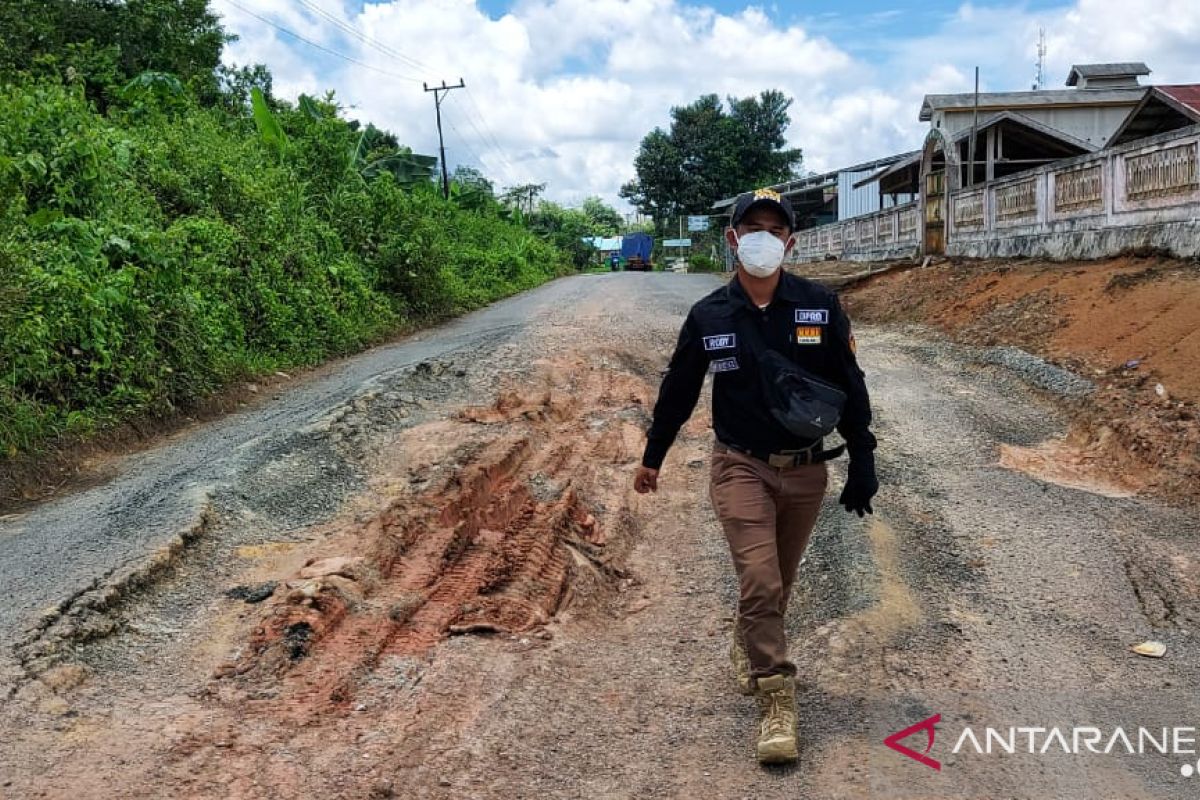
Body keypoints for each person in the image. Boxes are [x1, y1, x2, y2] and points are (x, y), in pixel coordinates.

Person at [633, 188, 878, 765]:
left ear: (790, 242)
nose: (763, 237)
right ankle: (777, 699)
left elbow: (851, 381)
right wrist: (653, 455)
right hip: (738, 464)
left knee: (778, 582)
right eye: (753, 227)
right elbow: (679, 389)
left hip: (806, 469)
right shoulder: (709, 315)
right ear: (733, 238)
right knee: (761, 579)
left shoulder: (819, 305)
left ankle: (752, 637)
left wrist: (863, 455)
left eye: (775, 228)